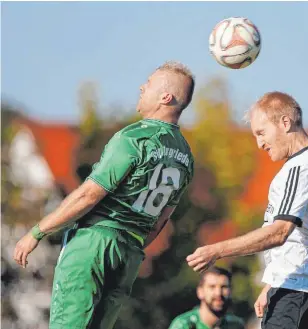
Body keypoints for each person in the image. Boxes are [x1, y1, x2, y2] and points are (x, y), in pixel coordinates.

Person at [14, 61, 195, 329]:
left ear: (165, 97)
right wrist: (130, 249)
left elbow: (89, 194)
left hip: (95, 242)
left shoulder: (135, 138)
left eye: (149, 83)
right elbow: (161, 221)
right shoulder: (185, 157)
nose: (142, 87)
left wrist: (37, 232)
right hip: (130, 253)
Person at [186, 92, 308, 329]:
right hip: (300, 287)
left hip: (298, 289)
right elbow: (306, 236)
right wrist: (271, 283)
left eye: (261, 133)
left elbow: (279, 232)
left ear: (285, 123)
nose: (259, 144)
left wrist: (217, 250)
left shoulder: (304, 167)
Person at [168, 267, 245, 329]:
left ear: (230, 291)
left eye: (224, 287)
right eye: (212, 287)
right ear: (200, 292)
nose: (218, 293)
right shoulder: (183, 324)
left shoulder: (235, 325)